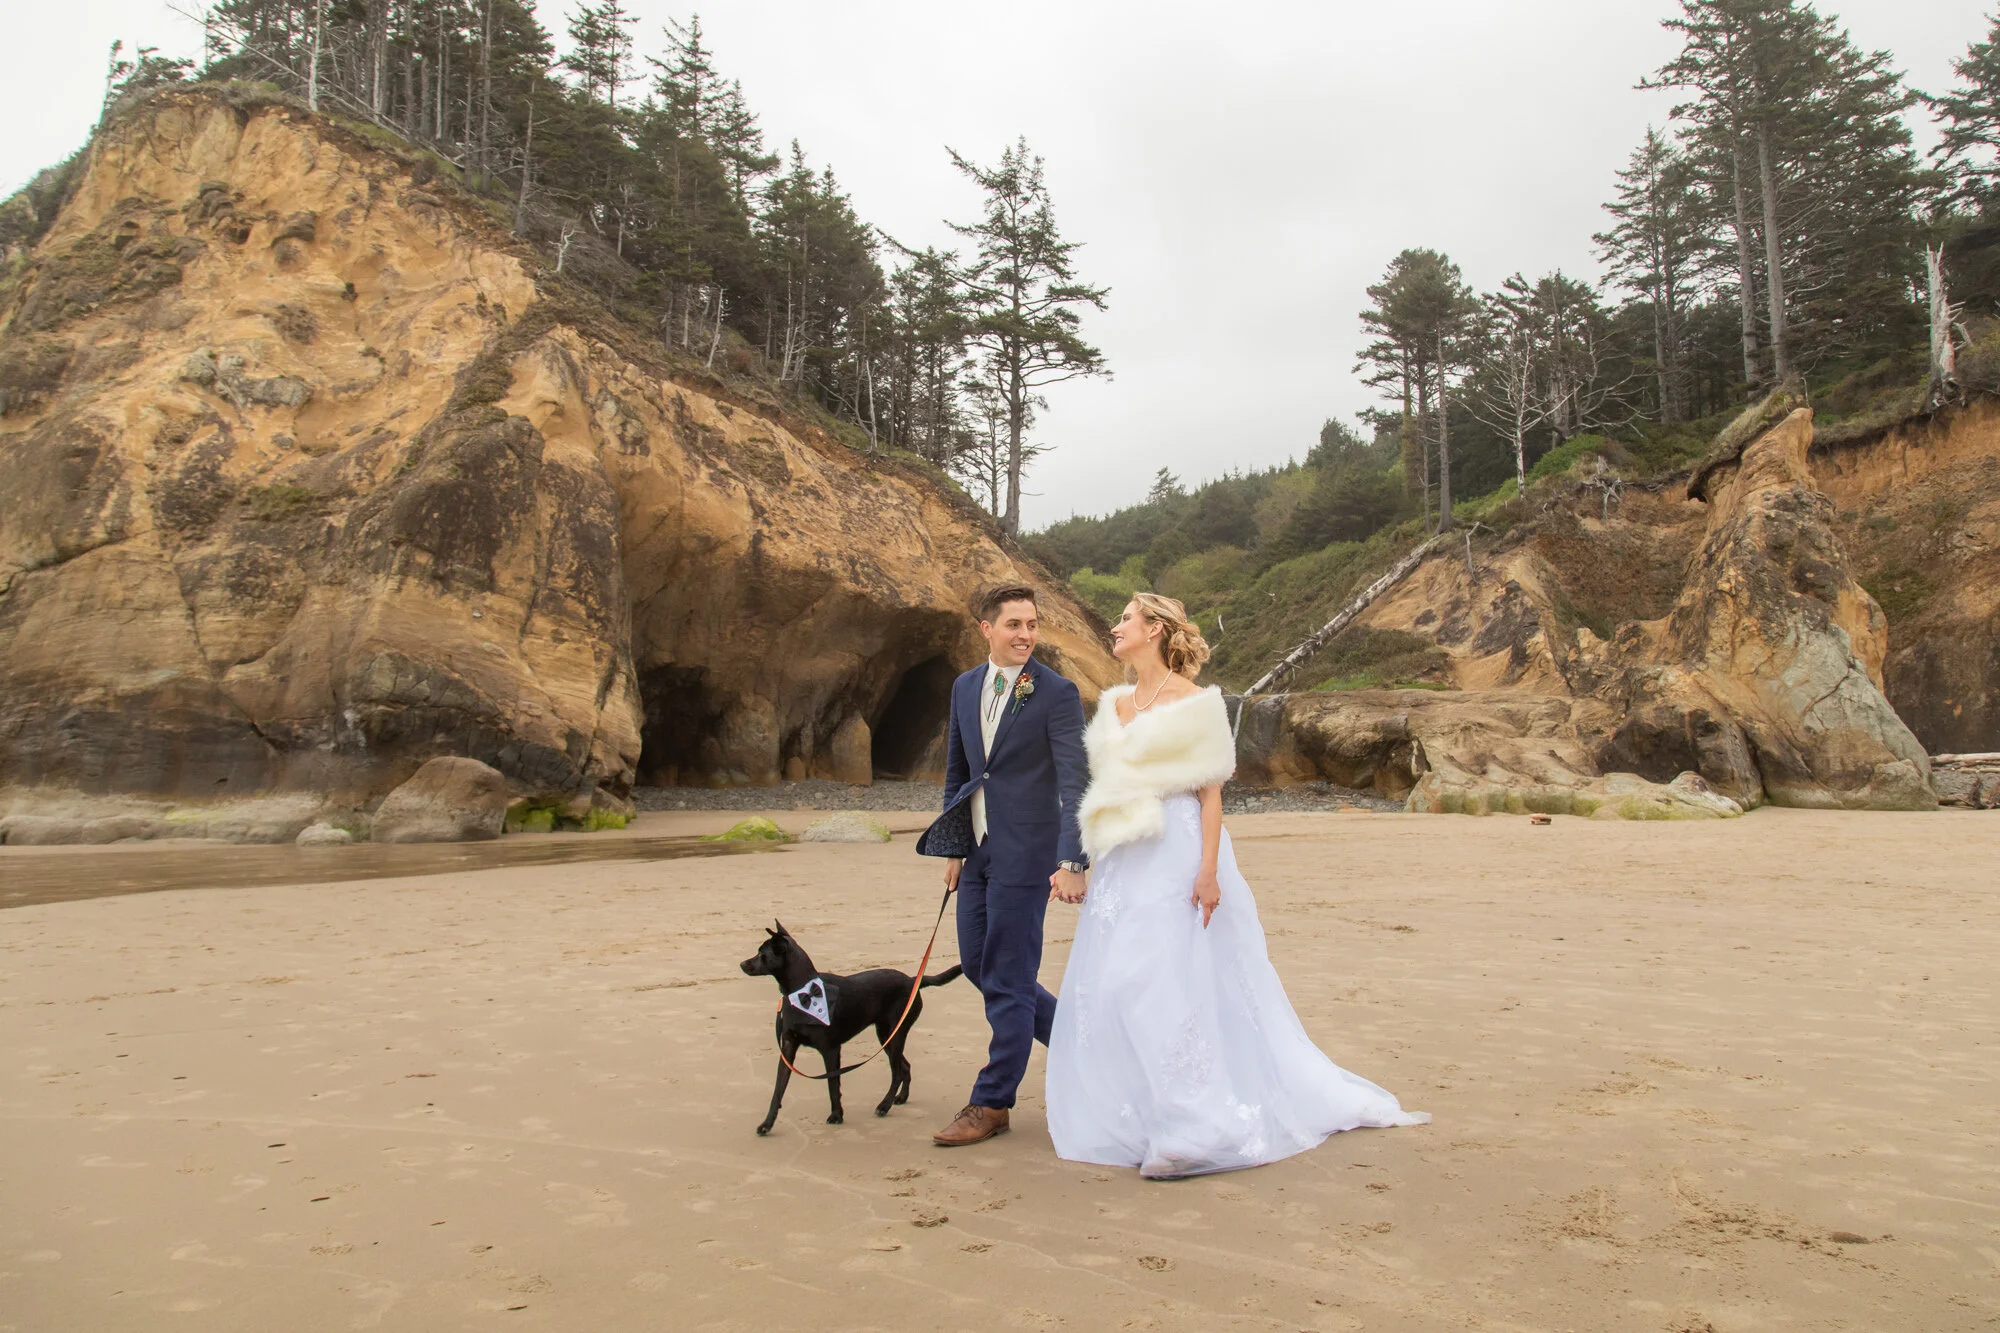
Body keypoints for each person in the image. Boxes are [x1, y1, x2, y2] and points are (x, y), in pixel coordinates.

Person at [1045, 593, 1428, 1179]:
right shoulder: (1115, 703)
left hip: (1177, 849)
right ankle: (1141, 1114)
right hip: (1124, 859)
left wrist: (1207, 872)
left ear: (1155, 630)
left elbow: (1211, 793)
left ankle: (1192, 1127)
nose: (1116, 627)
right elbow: (1107, 790)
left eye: (1127, 618)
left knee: (1167, 978)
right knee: (1118, 980)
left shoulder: (1199, 703)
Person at [916, 584, 1090, 1147]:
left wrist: (1072, 859)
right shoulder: (965, 686)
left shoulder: (1056, 692)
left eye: (1032, 624)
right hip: (978, 851)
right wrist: (954, 846)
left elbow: (1075, 779)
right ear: (987, 629)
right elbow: (959, 770)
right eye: (1014, 624)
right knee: (977, 963)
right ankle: (1089, 1048)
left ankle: (992, 1101)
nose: (1025, 634)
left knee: (1009, 975)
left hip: (1028, 853)